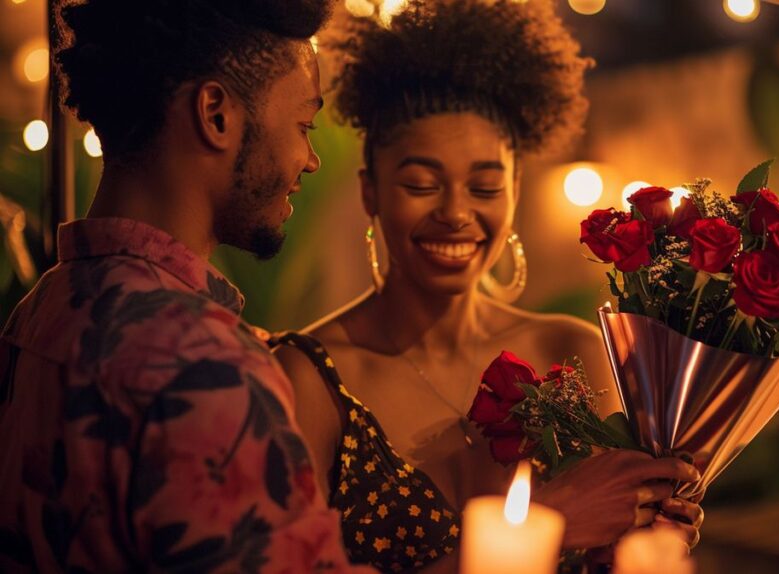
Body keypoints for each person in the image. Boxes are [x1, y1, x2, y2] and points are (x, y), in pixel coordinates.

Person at [276, 1, 703, 572]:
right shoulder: (309, 380)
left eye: (483, 187)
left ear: (515, 191)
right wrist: (552, 521)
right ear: (370, 192)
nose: (455, 213)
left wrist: (657, 519)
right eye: (421, 184)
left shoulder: (576, 353)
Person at [0, 0, 375, 572]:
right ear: (216, 113)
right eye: (304, 125)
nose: (312, 159)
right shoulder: (204, 369)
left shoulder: (37, 313)